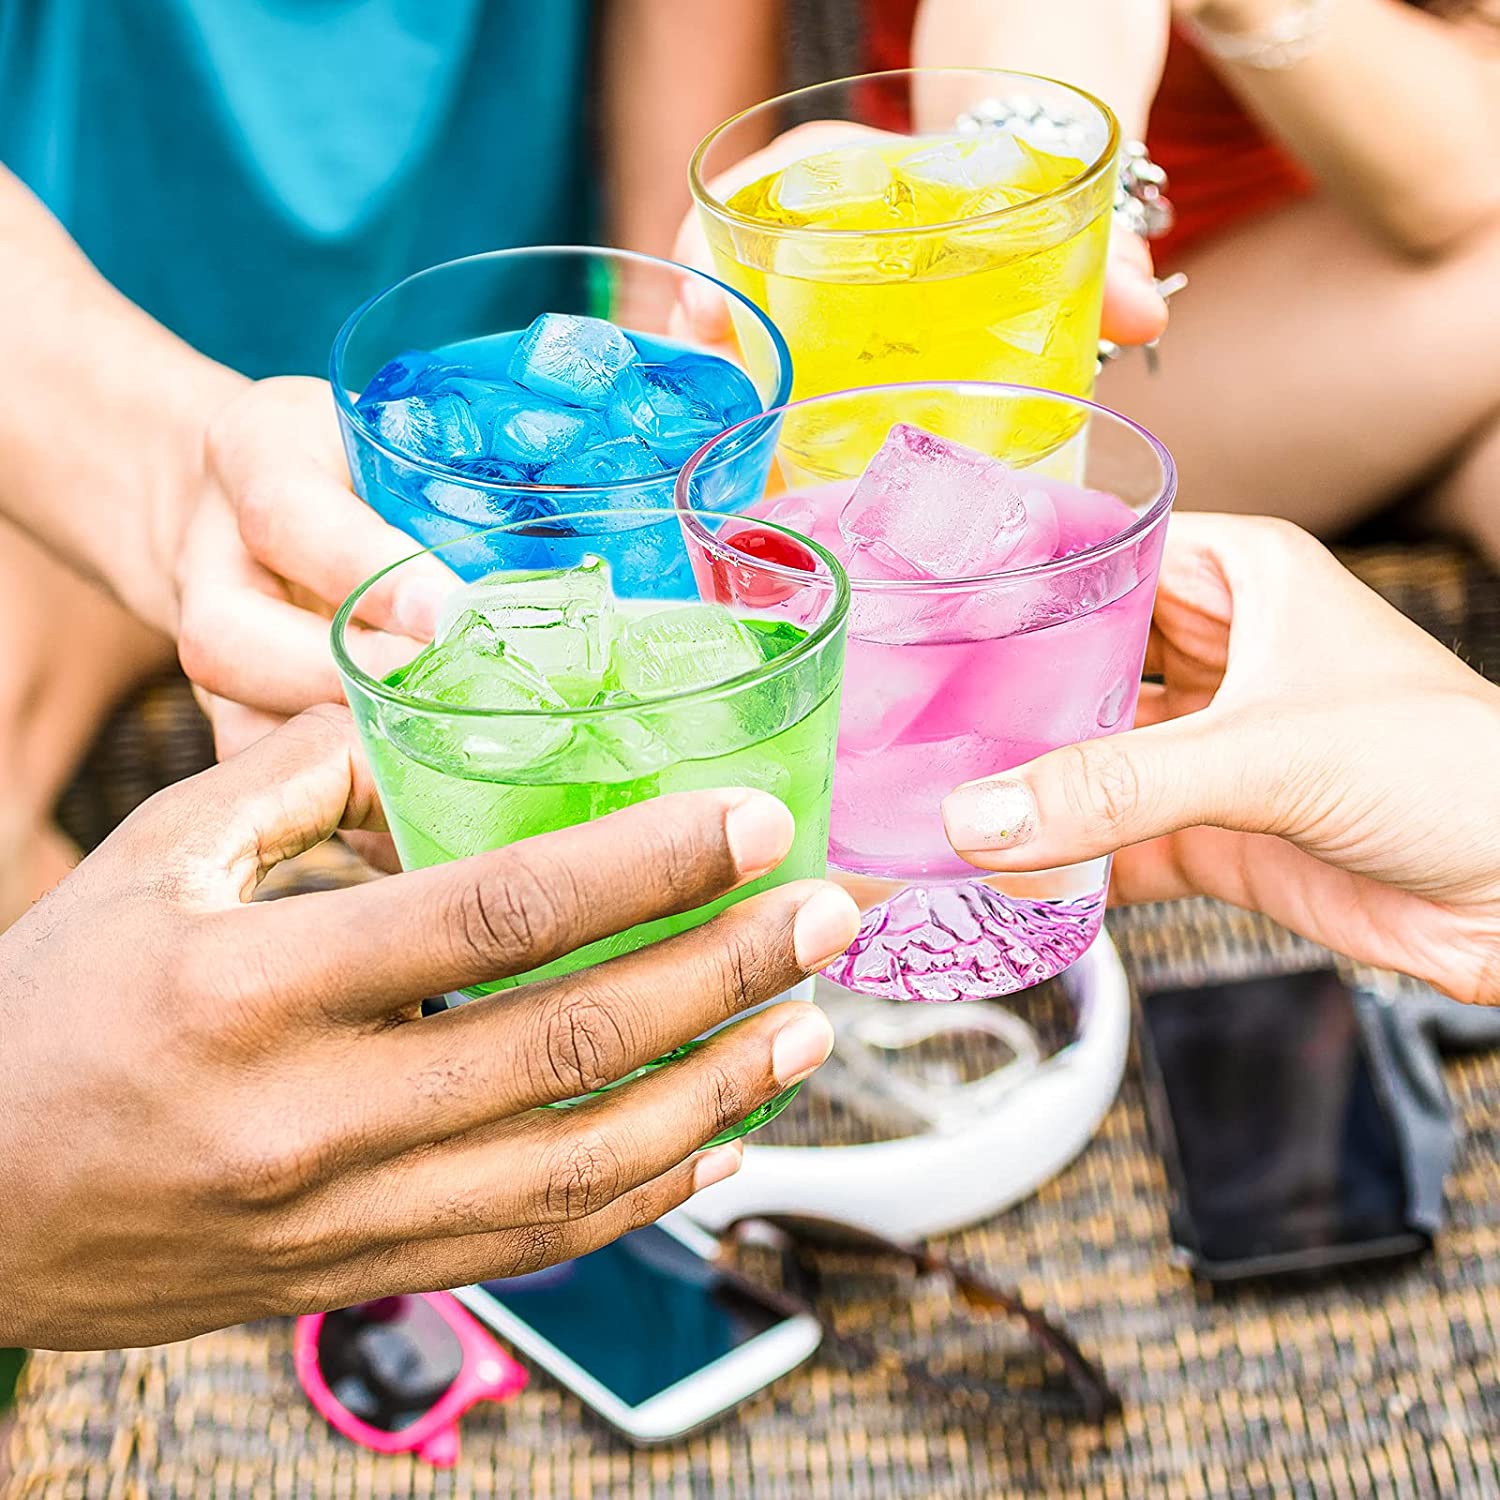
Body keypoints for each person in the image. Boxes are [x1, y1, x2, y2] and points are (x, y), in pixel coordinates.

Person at [0, 0, 786, 924]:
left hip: (532, 469)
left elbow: (675, 295)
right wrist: (181, 473)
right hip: (70, 400)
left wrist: (652, 436)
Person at [868, 0, 1500, 562]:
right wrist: (1045, 180)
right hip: (1066, 381)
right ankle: (1046, 195)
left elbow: (1461, 190)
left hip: (1367, 333)